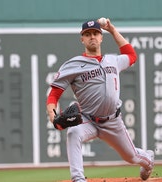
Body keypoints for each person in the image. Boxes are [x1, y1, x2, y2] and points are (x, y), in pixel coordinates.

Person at [46, 18, 155, 181]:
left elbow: (131, 55)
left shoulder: (113, 60)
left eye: (96, 33)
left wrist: (112, 30)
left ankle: (148, 160)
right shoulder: (73, 65)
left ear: (101, 37)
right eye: (87, 34)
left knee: (132, 157)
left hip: (112, 121)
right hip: (88, 119)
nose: (92, 37)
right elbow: (54, 93)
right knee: (73, 132)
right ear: (82, 39)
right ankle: (78, 179)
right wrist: (52, 115)